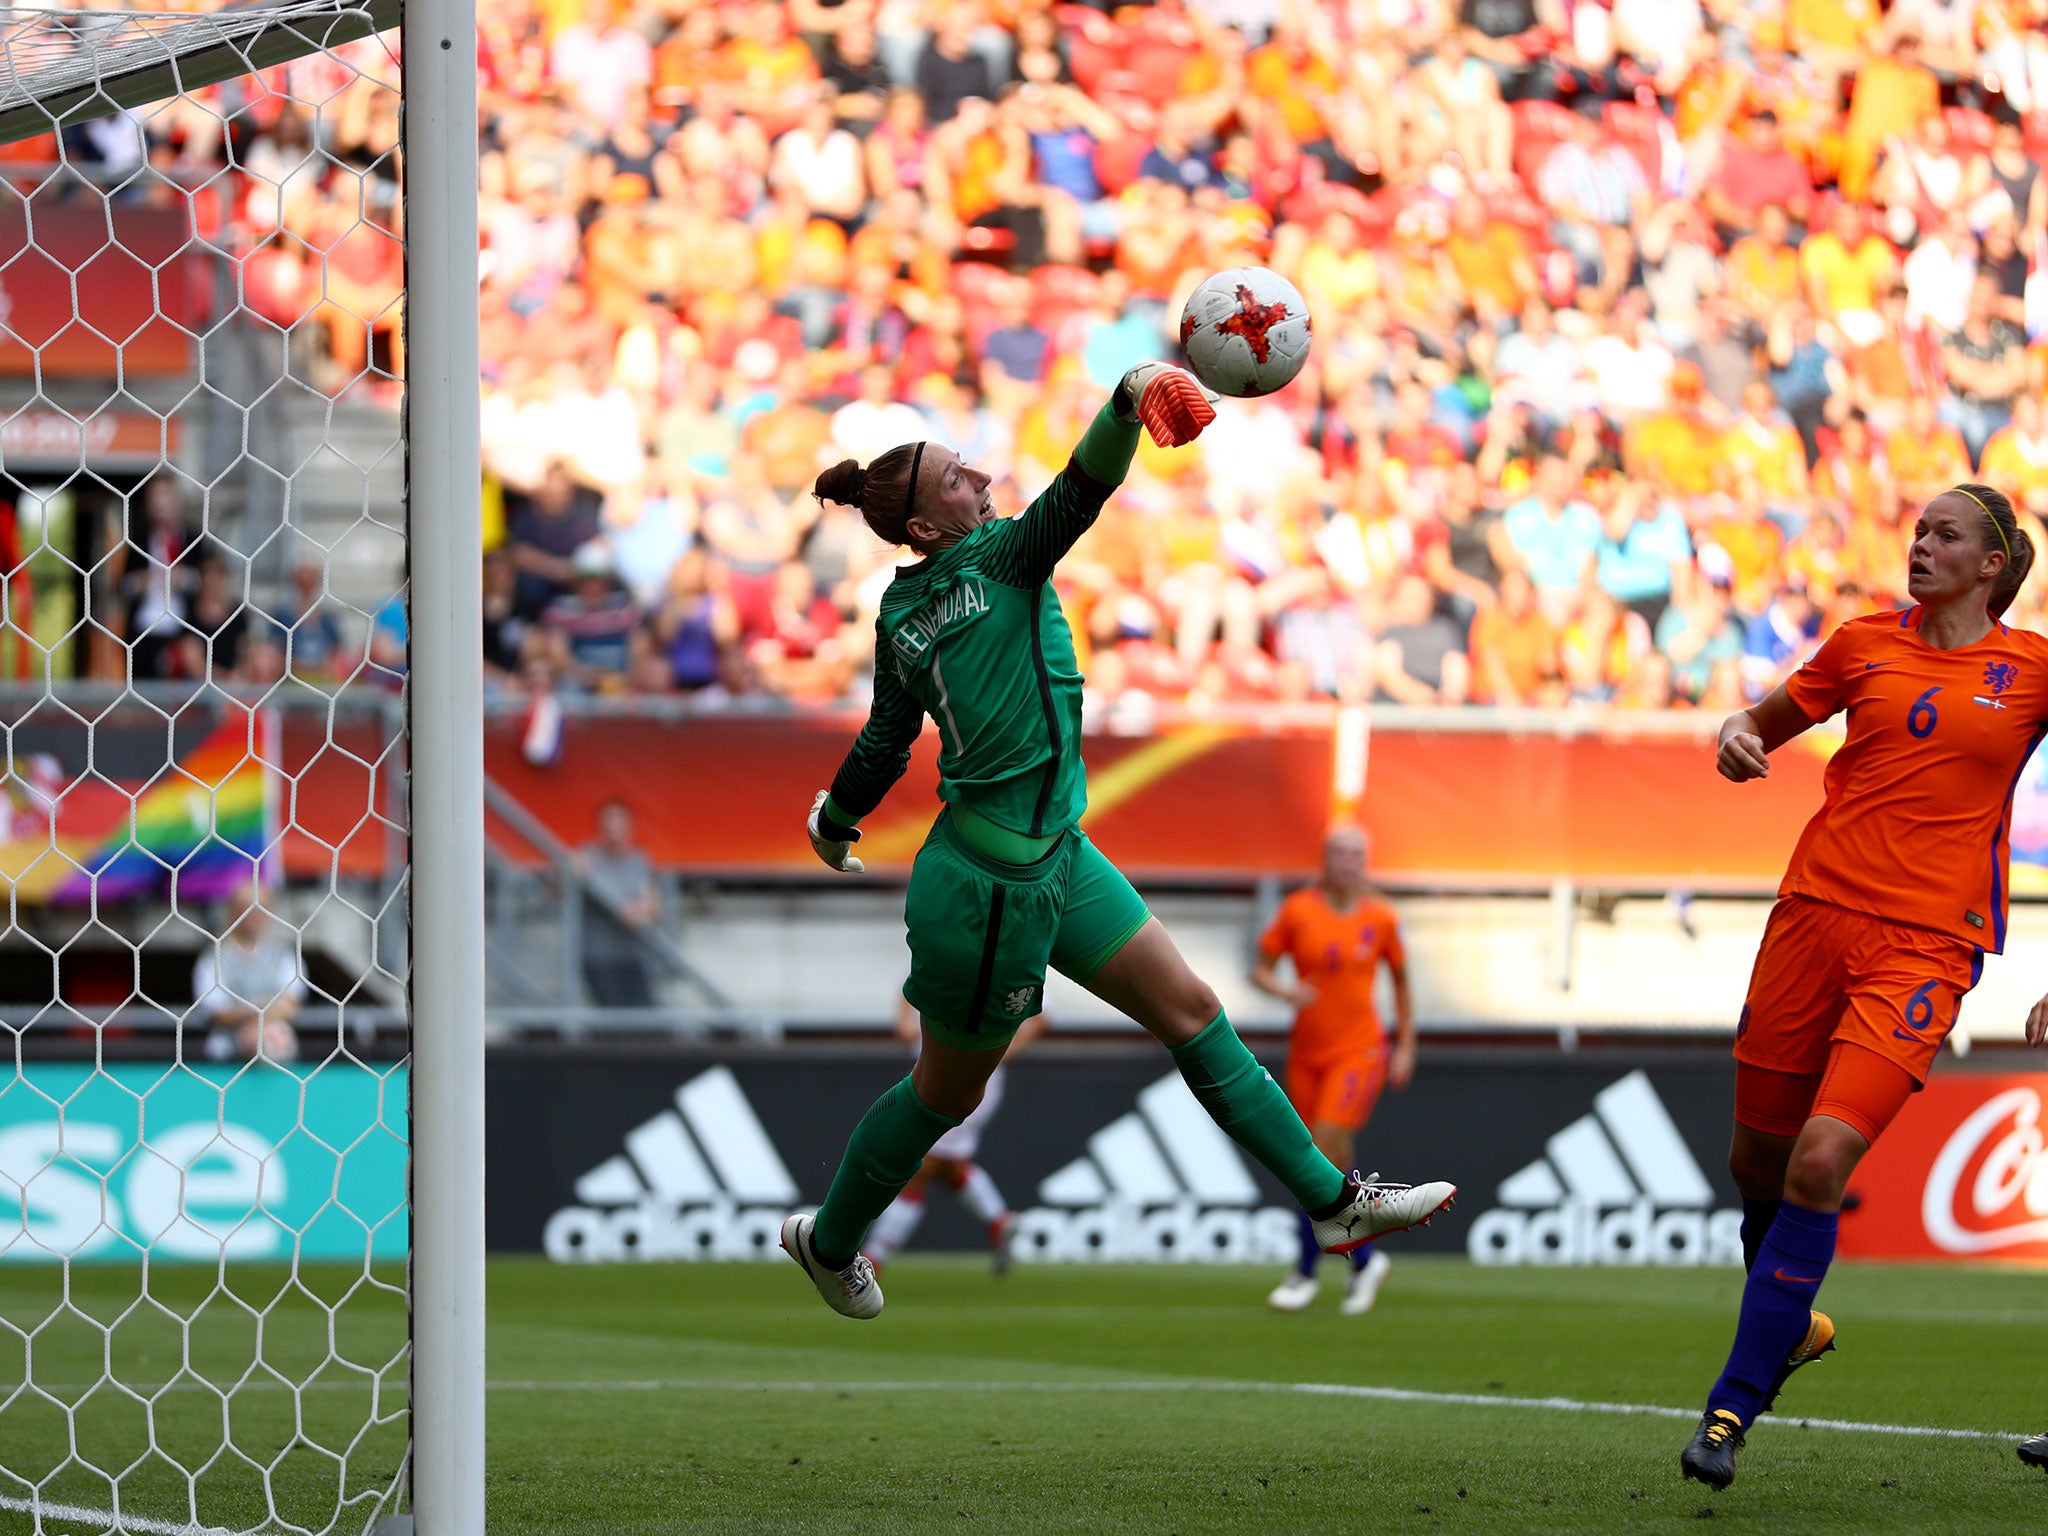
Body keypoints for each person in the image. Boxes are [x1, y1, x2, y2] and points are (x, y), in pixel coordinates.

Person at [781, 363, 1456, 1319]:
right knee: (944, 1096)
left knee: (1192, 1010)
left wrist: (835, 818)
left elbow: (888, 738)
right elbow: (1085, 488)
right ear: (931, 527)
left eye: (969, 465)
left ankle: (1333, 1202)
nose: (979, 479)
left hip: (1052, 852)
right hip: (990, 891)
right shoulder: (1003, 558)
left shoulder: (902, 610)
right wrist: (1127, 398)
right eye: (957, 480)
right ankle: (831, 1239)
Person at [1680, 483, 2048, 1490]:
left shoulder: (2030, 672)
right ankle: (1789, 1330)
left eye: (1945, 535)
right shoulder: (1857, 643)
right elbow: (1750, 728)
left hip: (1925, 947)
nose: (1919, 543)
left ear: (1991, 566)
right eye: (1916, 528)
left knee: (1817, 1162)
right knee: (1753, 1162)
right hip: (1810, 920)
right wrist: (1730, 737)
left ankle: (1726, 1410)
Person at [1250, 826, 1417, 1317]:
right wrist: (1284, 992)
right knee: (1323, 1163)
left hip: (1359, 1051)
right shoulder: (1298, 910)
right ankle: (1364, 1261)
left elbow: (1403, 984)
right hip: (1308, 1053)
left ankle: (1304, 1270)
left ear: (1366, 862)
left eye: (1356, 854)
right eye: (1340, 853)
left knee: (1318, 1151)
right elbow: (1261, 967)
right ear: (1324, 860)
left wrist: (1406, 1045)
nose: (1348, 862)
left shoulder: (1383, 917)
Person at [863, 996, 1047, 1274]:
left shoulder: (1006, 959)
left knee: (918, 1164)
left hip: (969, 1078)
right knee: (947, 1166)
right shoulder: (927, 957)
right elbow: (905, 1011)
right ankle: (999, 1220)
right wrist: (908, 1027)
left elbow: (1039, 1017)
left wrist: (997, 1053)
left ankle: (872, 1259)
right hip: (929, 1072)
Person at [191, 884, 304, 1063]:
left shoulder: (283, 954)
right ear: (232, 911)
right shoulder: (213, 957)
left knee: (274, 1039)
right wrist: (260, 1011)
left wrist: (256, 1027)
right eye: (246, 907)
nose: (253, 914)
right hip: (226, 1053)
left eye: (261, 908)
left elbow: (290, 1006)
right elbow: (217, 1013)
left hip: (275, 1045)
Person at [578, 799, 661, 1008]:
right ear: (600, 827)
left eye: (619, 822)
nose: (613, 829)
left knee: (647, 1019)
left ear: (630, 827)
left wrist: (637, 910)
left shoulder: (639, 859)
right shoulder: (586, 856)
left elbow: (651, 903)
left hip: (632, 955)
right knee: (612, 1024)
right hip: (598, 957)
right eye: (608, 823)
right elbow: (555, 891)